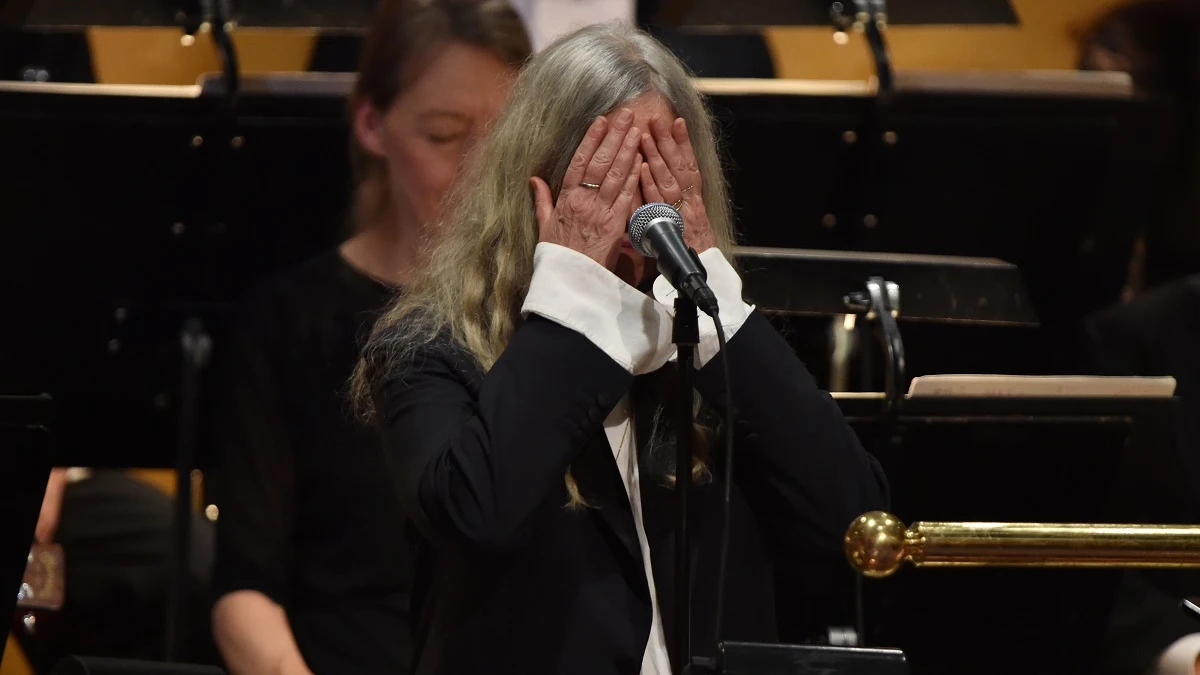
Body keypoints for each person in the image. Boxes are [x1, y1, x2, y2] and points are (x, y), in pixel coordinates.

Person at [350, 22, 889, 675]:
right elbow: (478, 515)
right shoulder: (427, 348)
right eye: (604, 180)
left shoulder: (718, 342)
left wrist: (713, 292)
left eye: (656, 178)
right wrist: (574, 292)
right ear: (535, 186)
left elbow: (858, 529)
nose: (638, 214)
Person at [209, 2, 530, 675]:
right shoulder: (288, 320)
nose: (478, 171)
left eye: (500, 140)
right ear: (371, 123)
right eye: (444, 136)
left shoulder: (544, 314)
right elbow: (246, 589)